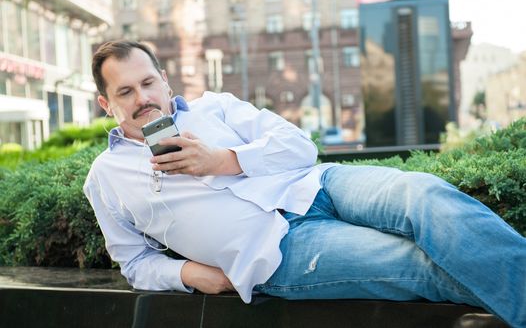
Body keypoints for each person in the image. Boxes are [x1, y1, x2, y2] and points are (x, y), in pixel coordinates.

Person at [84, 40, 525, 327]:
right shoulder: (106, 178)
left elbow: (298, 145)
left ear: (164, 80)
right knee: (417, 264)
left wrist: (221, 160)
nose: (142, 98)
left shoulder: (215, 107)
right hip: (280, 252)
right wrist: (193, 274)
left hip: (316, 185)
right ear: (107, 103)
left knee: (423, 194)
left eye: (147, 83)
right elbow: (135, 262)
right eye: (125, 92)